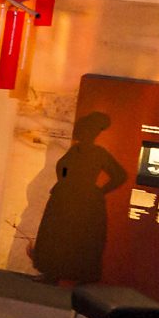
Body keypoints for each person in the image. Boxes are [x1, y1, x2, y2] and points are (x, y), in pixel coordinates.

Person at [30, 110, 128, 284]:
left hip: (83, 202)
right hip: (66, 199)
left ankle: (78, 276)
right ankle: (53, 273)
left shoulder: (98, 153)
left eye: (88, 131)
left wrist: (99, 191)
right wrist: (67, 183)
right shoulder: (75, 151)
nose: (84, 134)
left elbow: (119, 175)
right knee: (59, 236)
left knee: (81, 238)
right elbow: (65, 170)